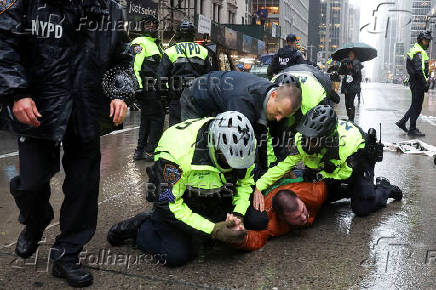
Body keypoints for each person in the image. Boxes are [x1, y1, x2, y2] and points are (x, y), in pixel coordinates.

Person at [0, 0, 128, 287]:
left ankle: (67, 254)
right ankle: (35, 220)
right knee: (31, 183)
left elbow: (122, 57)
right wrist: (16, 92)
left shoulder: (110, 9)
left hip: (87, 108)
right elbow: (4, 44)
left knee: (83, 187)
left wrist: (120, 92)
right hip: (39, 107)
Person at [107, 112, 267, 266]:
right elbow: (169, 204)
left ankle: (210, 220)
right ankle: (143, 225)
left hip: (217, 192)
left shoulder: (244, 143)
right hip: (182, 199)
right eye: (229, 161)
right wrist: (214, 230)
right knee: (176, 254)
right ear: (215, 147)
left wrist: (238, 214)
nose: (235, 167)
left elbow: (246, 182)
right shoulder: (175, 154)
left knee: (257, 221)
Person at [254, 105, 403, 217]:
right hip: (330, 168)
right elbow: (282, 166)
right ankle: (349, 192)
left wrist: (321, 175)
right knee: (320, 197)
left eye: (313, 140)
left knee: (362, 208)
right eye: (306, 137)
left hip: (360, 163)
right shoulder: (302, 139)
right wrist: (259, 186)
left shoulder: (349, 146)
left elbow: (345, 174)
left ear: (327, 139)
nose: (307, 144)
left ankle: (385, 188)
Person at [179, 71, 302, 177]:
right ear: (273, 95)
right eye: (279, 112)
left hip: (222, 101)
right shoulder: (244, 102)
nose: (279, 118)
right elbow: (240, 145)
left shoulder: (280, 106)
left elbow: (274, 141)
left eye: (284, 116)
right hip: (195, 98)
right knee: (198, 145)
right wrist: (252, 180)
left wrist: (283, 169)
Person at [235, 179, 327, 251]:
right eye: (296, 217)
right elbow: (257, 238)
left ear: (301, 201)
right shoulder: (271, 222)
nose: (304, 217)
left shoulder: (314, 194)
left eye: (303, 210)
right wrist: (237, 236)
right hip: (270, 191)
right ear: (281, 217)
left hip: (294, 184)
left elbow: (329, 182)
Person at [156, 20, 213, 126]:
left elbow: (160, 78)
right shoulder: (203, 51)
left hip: (176, 97)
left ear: (179, 33)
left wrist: (163, 98)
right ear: (194, 34)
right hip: (197, 96)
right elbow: (209, 77)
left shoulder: (170, 51)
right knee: (196, 126)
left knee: (176, 128)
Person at [130, 14, 165, 161]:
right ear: (142, 27)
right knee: (158, 118)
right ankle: (150, 151)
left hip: (155, 89)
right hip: (147, 88)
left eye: (153, 25)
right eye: (147, 25)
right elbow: (134, 66)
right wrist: (137, 87)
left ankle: (140, 151)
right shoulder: (140, 42)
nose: (151, 27)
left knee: (146, 119)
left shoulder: (156, 44)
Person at [396, 31, 432, 137]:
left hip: (416, 82)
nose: (427, 43)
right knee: (416, 107)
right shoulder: (418, 51)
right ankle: (412, 128)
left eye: (428, 41)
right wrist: (424, 83)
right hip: (417, 83)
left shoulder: (418, 50)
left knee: (415, 106)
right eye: (426, 40)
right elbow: (418, 70)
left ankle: (402, 122)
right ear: (421, 40)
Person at [339, 50, 362, 122]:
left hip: (353, 86)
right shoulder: (345, 62)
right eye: (349, 54)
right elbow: (340, 72)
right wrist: (343, 65)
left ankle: (351, 119)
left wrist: (352, 68)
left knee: (350, 102)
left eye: (352, 54)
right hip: (346, 86)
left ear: (354, 55)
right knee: (346, 103)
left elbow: (359, 76)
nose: (350, 55)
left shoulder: (357, 63)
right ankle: (349, 116)